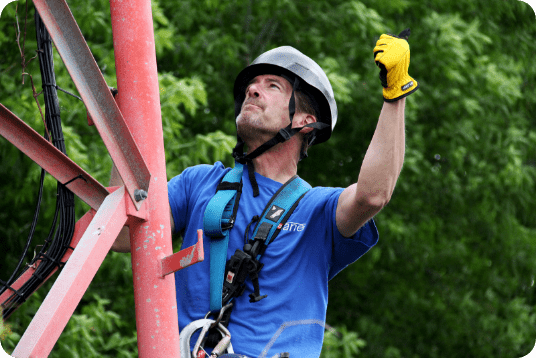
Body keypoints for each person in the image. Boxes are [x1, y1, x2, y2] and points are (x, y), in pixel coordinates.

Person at [111, 29, 418, 357]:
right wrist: (119, 128)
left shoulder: (316, 209)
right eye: (251, 86)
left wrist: (395, 93)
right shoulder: (199, 183)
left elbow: (373, 195)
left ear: (304, 121)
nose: (253, 90)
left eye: (272, 86)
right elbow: (121, 237)